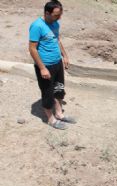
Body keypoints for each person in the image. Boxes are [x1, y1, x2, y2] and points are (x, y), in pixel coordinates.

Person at [29, 0, 76, 129]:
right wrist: (42, 68)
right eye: (56, 15)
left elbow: (57, 39)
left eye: (60, 15)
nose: (59, 18)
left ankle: (59, 114)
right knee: (48, 92)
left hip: (57, 62)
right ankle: (51, 119)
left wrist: (64, 55)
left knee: (59, 89)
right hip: (45, 65)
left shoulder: (55, 24)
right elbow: (32, 48)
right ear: (47, 13)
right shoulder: (37, 26)